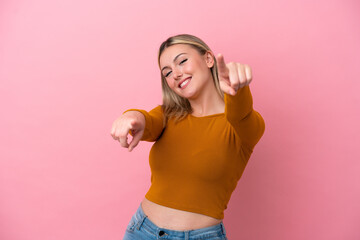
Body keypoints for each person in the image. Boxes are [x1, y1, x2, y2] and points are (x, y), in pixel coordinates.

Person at [110, 34, 265, 240]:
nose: (176, 74)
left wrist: (238, 89)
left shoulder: (241, 127)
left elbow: (241, 114)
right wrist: (129, 116)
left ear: (209, 59)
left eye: (182, 61)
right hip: (142, 231)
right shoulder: (169, 115)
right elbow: (146, 119)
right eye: (167, 72)